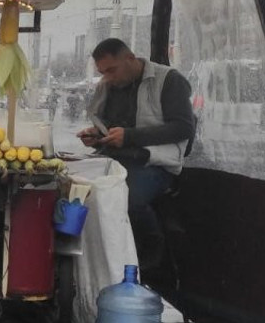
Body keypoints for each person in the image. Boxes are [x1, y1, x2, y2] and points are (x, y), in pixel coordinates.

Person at [78, 38, 195, 267]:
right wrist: (97, 136)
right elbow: (110, 126)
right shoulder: (108, 85)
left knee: (124, 197)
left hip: (154, 162)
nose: (108, 77)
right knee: (79, 188)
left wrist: (130, 136)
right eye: (103, 72)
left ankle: (151, 251)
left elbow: (184, 128)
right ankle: (95, 258)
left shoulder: (169, 80)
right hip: (117, 158)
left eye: (112, 70)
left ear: (130, 58)